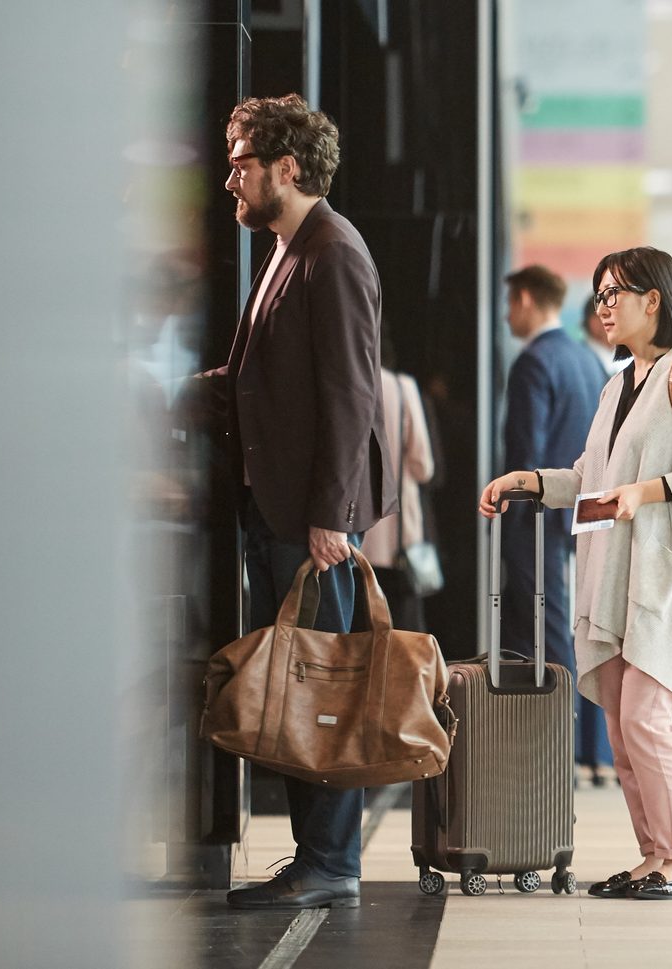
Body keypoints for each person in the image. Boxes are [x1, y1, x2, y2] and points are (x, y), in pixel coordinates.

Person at [479, 246, 672, 902]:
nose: (601, 307)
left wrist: (648, 491)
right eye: (598, 295)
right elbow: (591, 477)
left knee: (647, 718)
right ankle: (654, 854)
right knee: (624, 726)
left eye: (613, 294)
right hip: (618, 573)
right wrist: (529, 481)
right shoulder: (617, 383)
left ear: (652, 300)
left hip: (669, 573)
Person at [197, 94, 394, 909]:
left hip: (309, 520)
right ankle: (319, 855)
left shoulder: (332, 252)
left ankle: (331, 862)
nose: (230, 180)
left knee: (322, 686)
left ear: (286, 167)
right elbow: (256, 379)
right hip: (281, 508)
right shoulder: (290, 248)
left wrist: (330, 518)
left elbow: (350, 396)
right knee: (302, 682)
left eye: (240, 163)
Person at [499, 265, 614, 783]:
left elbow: (526, 451)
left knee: (542, 634)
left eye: (510, 304)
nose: (507, 316)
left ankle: (554, 753)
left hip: (539, 520)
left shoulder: (534, 362)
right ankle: (591, 749)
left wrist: (511, 521)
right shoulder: (585, 361)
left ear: (526, 298)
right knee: (581, 629)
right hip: (583, 519)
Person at [365, 339, 436, 632]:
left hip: (357, 534)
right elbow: (424, 467)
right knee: (402, 631)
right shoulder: (402, 388)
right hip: (398, 535)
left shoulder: (349, 383)